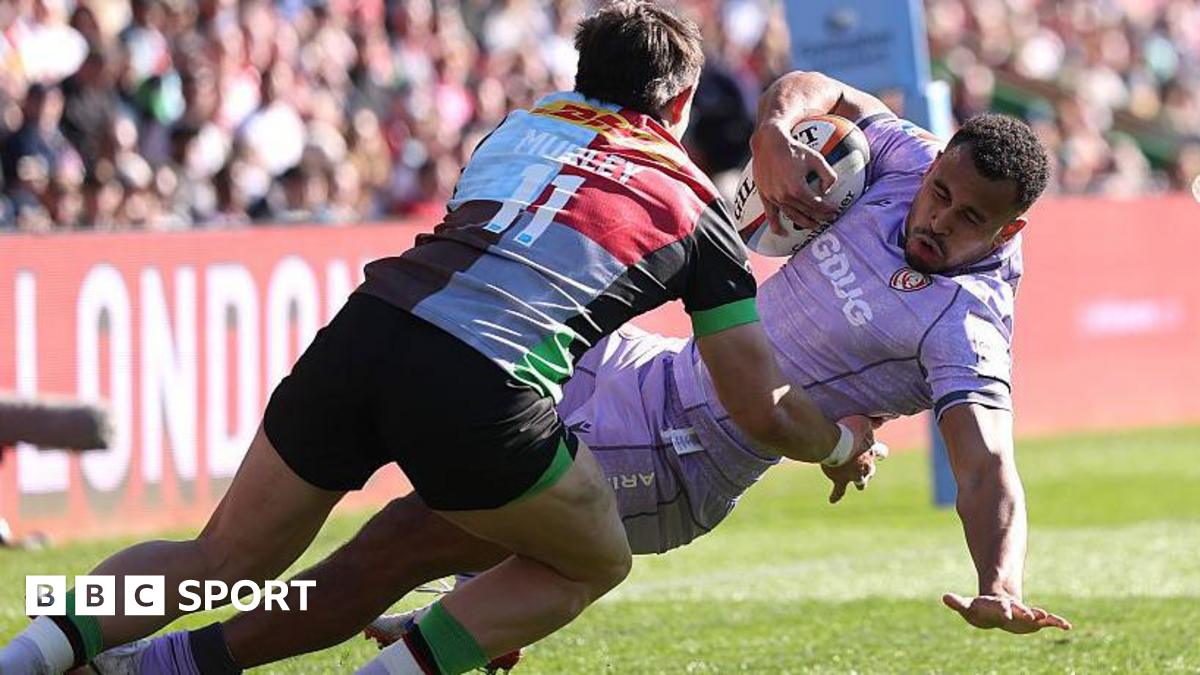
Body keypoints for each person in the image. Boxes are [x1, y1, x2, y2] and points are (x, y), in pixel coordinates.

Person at [86, 72, 1071, 675]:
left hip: (683, 454)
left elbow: (986, 464)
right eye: (940, 192)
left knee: (393, 541)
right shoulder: (900, 158)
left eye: (968, 219)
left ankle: (148, 661)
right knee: (316, 534)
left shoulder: (967, 324)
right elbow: (814, 86)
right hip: (643, 368)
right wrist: (775, 130)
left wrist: (1000, 578)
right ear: (934, 162)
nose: (937, 220)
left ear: (1011, 230)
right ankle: (484, 606)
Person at [0, 7, 871, 675]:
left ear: (584, 73)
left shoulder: (518, 127)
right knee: (594, 557)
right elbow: (758, 406)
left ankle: (25, 656)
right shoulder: (695, 209)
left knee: (219, 556)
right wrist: (837, 443)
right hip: (480, 381)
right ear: (678, 104)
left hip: (366, 329)